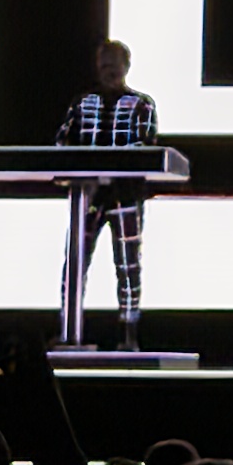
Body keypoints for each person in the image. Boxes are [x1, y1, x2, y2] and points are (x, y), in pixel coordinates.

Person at [55, 40, 159, 347]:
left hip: (125, 195)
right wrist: (79, 173)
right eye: (104, 66)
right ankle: (69, 332)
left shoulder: (141, 105)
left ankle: (129, 335)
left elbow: (146, 146)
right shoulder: (82, 103)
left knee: (128, 265)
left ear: (126, 66)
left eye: (114, 65)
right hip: (87, 197)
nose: (109, 72)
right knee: (75, 263)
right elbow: (62, 141)